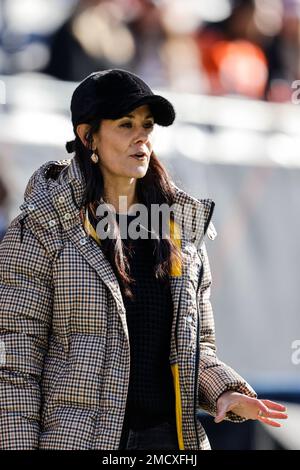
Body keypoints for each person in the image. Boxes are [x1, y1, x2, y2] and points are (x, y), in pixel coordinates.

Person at [0, 69, 288, 450]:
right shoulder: (40, 227)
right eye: (125, 124)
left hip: (172, 443)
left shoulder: (180, 230)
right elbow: (15, 363)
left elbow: (195, 347)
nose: (142, 137)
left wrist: (225, 393)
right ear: (88, 137)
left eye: (148, 125)